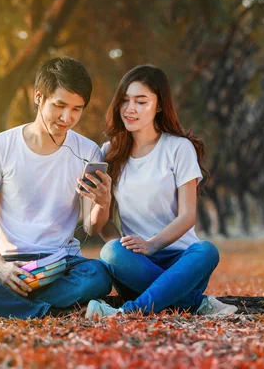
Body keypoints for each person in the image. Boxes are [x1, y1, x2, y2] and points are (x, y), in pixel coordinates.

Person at [0, 57, 113, 319]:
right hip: (11, 261)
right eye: (60, 105)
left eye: (77, 109)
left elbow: (91, 228)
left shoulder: (88, 151)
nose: (67, 118)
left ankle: (13, 306)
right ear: (38, 97)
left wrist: (103, 201)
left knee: (98, 275)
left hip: (61, 263)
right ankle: (47, 311)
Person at [85, 65, 238, 319]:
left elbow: (187, 216)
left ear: (158, 106)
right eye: (125, 100)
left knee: (207, 250)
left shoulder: (179, 148)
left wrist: (152, 245)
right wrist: (103, 207)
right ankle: (194, 303)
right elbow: (99, 227)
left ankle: (127, 312)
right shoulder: (109, 153)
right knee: (110, 251)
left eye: (141, 101)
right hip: (136, 265)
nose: (130, 109)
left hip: (182, 262)